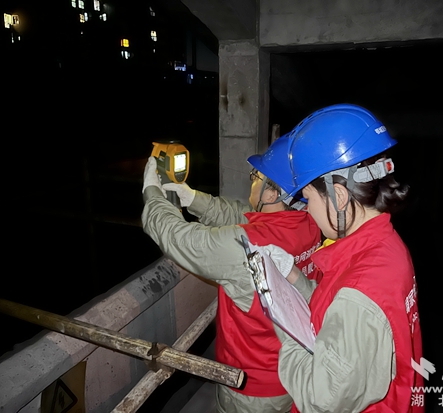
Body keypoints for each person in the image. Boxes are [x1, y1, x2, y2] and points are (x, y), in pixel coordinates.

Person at [258, 104, 424, 413]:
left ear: (340, 197)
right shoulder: (383, 247)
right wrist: (294, 276)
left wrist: (283, 323)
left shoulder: (360, 289)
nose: (307, 211)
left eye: (308, 198)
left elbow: (320, 399)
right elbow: (336, 313)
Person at [141, 135, 322, 413]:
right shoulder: (310, 223)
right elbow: (244, 215)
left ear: (271, 194)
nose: (252, 181)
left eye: (256, 177)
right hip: (294, 375)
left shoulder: (247, 247)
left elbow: (178, 238)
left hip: (251, 390)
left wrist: (152, 193)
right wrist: (193, 199)